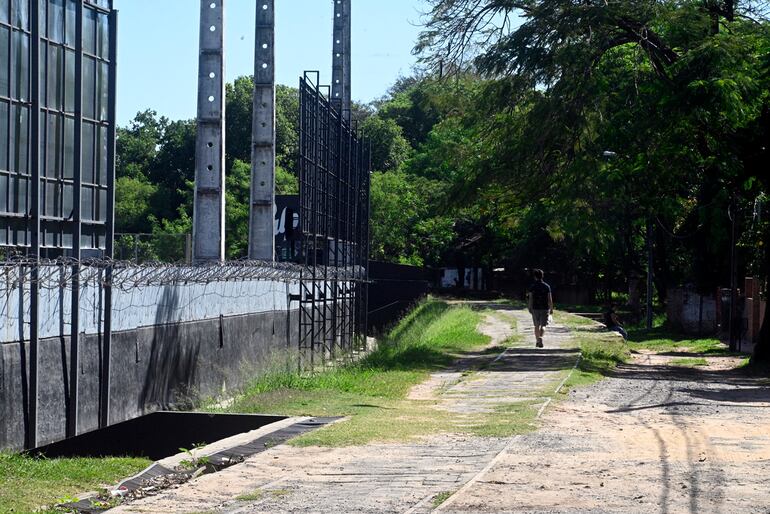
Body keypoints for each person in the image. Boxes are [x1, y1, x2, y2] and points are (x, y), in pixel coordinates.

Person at [527, 269, 553, 348]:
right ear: (542, 276)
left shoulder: (532, 286)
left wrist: (529, 307)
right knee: (543, 325)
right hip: (545, 308)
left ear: (535, 277)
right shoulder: (547, 286)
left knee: (536, 325)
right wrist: (551, 308)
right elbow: (550, 299)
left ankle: (537, 341)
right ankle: (540, 337)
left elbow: (530, 298)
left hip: (535, 308)